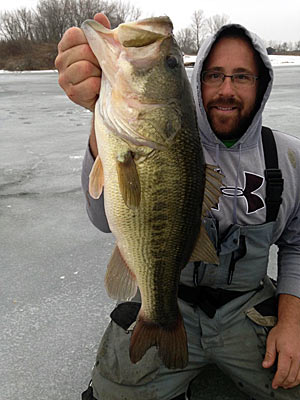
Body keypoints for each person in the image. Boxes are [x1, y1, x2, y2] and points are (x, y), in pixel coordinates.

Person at [55, 13, 300, 400]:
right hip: (173, 296)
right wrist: (99, 112)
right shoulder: (167, 137)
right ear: (197, 80)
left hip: (244, 306)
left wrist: (292, 322)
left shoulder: (289, 157)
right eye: (214, 74)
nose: (226, 89)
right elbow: (104, 219)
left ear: (262, 83)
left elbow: (297, 244)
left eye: (242, 76)